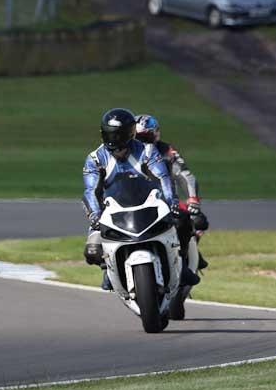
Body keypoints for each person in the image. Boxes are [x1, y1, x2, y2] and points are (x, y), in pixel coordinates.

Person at [82, 108, 199, 290]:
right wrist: (95, 215)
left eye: (118, 135)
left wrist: (172, 202)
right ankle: (109, 269)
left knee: (182, 220)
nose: (114, 140)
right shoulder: (95, 159)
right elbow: (90, 190)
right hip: (112, 209)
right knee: (92, 252)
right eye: (110, 135)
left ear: (130, 133)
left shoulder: (147, 151)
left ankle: (180, 263)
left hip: (148, 203)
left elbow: (163, 178)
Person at [135, 114, 209, 269]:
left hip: (166, 202)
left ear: (155, 133)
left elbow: (184, 174)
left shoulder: (167, 151)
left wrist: (193, 200)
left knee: (197, 221)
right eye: (137, 137)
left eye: (146, 136)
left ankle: (184, 258)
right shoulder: (124, 153)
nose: (142, 141)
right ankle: (109, 269)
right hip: (133, 202)